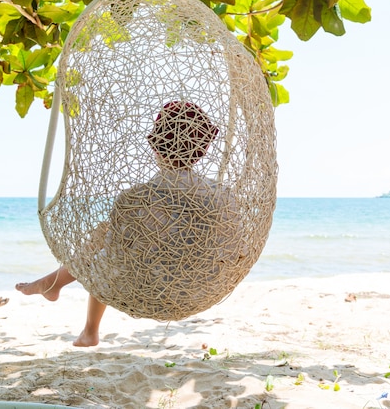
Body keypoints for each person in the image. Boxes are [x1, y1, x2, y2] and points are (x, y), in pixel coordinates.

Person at [16, 101, 235, 347]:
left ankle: (77, 312)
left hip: (146, 292)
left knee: (105, 242)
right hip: (198, 291)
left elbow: (112, 260)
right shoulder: (224, 196)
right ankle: (56, 287)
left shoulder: (134, 199)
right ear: (202, 149)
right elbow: (233, 251)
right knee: (110, 233)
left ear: (156, 147)